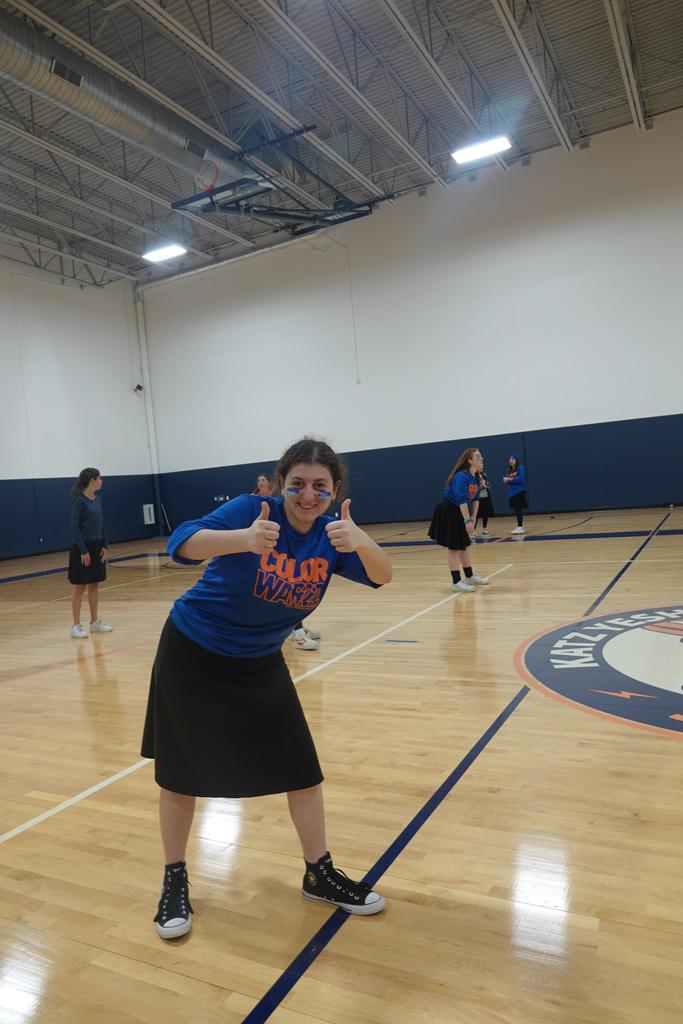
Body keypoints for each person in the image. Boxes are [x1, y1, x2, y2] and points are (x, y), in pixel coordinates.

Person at [141, 437, 393, 939]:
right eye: (297, 484)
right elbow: (180, 544)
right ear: (281, 484)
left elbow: (383, 576)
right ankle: (174, 880)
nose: (308, 495)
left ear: (335, 489)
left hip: (259, 661)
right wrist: (243, 539)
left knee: (303, 770)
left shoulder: (331, 535)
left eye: (320, 486)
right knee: (180, 776)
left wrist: (361, 539)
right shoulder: (253, 512)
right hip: (193, 651)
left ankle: (319, 874)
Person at [253, 473, 321, 649]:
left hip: (285, 547)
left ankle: (298, 630)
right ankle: (298, 635)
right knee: (284, 592)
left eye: (262, 480)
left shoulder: (279, 499)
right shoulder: (253, 500)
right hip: (266, 551)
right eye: (258, 480)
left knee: (295, 590)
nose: (260, 483)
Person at [428, 448, 490, 592]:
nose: (481, 459)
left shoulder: (476, 477)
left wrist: (474, 517)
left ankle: (469, 576)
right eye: (477, 457)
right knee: (455, 548)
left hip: (460, 511)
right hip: (449, 511)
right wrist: (467, 521)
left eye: (481, 456)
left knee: (464, 545)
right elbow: (461, 500)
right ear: (470, 461)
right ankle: (456, 582)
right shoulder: (461, 476)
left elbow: (476, 499)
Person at [68, 468, 112, 639]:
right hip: (82, 549)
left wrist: (105, 545)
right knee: (80, 587)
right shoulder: (80, 500)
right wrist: (83, 550)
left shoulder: (98, 499)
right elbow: (74, 527)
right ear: (92, 480)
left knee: (95, 585)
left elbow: (102, 524)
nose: (101, 481)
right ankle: (75, 626)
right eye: (99, 478)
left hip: (97, 547)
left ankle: (94, 622)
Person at [503, 453, 528, 534]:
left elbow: (521, 479)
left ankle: (520, 527)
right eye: (510, 459)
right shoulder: (509, 470)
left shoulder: (520, 468)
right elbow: (509, 482)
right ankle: (519, 526)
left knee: (518, 509)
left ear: (516, 460)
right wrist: (506, 481)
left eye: (513, 459)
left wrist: (511, 479)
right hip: (512, 493)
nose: (511, 461)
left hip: (519, 491)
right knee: (516, 510)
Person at [475, 464, 494, 538]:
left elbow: (486, 484)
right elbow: (474, 488)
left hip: (486, 497)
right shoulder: (474, 476)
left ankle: (484, 530)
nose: (482, 468)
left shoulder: (484, 475)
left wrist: (487, 485)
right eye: (480, 467)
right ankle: (473, 532)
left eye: (482, 467)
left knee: (485, 514)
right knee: (476, 515)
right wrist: (481, 486)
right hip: (478, 498)